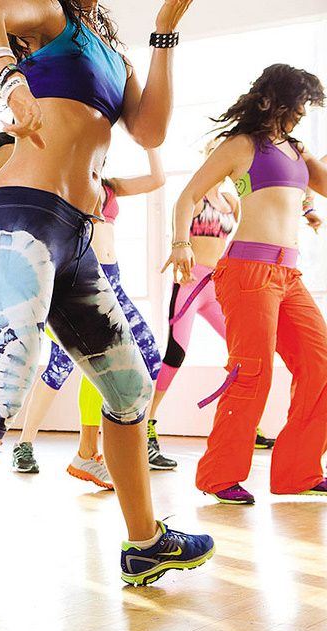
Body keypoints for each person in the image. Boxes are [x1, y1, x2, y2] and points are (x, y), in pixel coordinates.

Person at [0, 0, 213, 631]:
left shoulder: (112, 52)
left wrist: (165, 31)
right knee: (1, 386)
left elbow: (150, 131)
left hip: (76, 236)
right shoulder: (50, 13)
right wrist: (9, 77)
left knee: (131, 390)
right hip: (21, 217)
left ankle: (144, 544)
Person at [165, 64, 327, 505]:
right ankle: (219, 476)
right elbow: (187, 196)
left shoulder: (297, 150)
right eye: (298, 104)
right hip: (248, 271)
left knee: (319, 364)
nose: (301, 113)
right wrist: (181, 243)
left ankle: (298, 472)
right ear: (271, 100)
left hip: (288, 274)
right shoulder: (242, 144)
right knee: (252, 373)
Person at [9, 149, 171, 484]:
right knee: (62, 367)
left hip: (113, 280)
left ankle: (122, 443)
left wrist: (150, 144)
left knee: (148, 355)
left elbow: (157, 180)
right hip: (80, 282)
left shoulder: (111, 186)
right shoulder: (65, 183)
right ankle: (27, 445)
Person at [148, 139, 276, 457]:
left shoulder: (231, 202)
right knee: (175, 355)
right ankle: (146, 424)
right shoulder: (196, 197)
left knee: (244, 353)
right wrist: (179, 248)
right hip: (190, 286)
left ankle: (246, 425)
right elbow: (179, 228)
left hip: (217, 287)